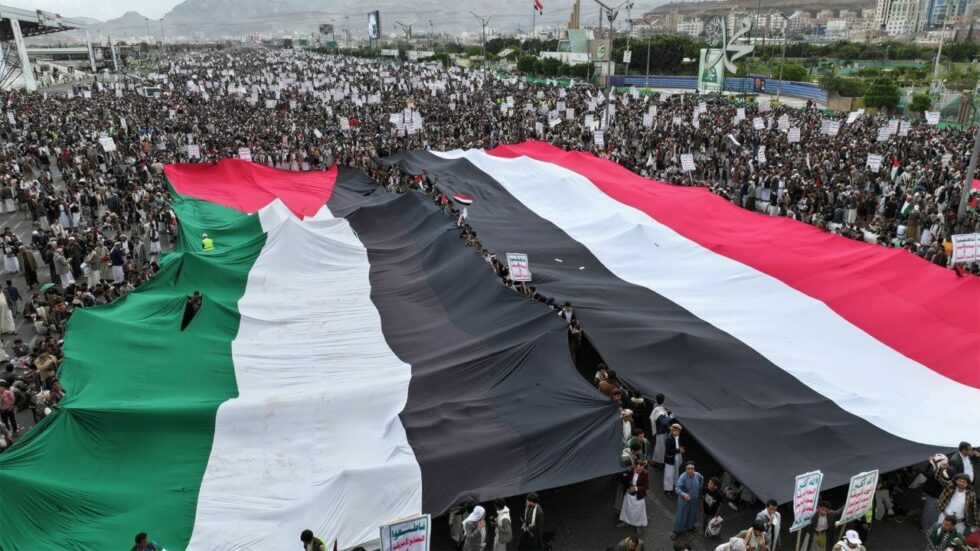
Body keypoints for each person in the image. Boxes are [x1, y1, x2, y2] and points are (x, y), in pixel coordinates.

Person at [672, 461, 703, 540]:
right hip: (684, 500)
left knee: (692, 514)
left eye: (692, 468)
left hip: (694, 500)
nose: (690, 470)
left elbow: (702, 479)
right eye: (688, 468)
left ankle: (690, 527)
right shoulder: (683, 477)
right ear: (686, 469)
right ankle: (677, 531)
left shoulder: (697, 475)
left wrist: (698, 489)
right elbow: (677, 488)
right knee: (681, 515)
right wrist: (684, 494)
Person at [619, 460, 649, 535]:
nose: (639, 471)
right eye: (638, 469)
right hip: (629, 494)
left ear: (643, 467)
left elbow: (646, 486)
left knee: (638, 512)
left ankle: (638, 525)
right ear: (635, 466)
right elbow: (626, 480)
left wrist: (636, 488)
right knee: (627, 509)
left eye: (641, 469)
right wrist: (629, 486)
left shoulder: (645, 474)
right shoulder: (631, 470)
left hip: (638, 496)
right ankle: (626, 522)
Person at [649, 394, 670, 467]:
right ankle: (660, 463)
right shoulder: (659, 411)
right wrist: (671, 416)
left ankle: (658, 461)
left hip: (659, 431)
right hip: (661, 432)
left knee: (659, 447)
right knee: (661, 448)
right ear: (663, 400)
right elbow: (663, 422)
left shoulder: (656, 406)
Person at [664, 423, 684, 496]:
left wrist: (681, 448)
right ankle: (668, 490)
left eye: (678, 431)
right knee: (669, 474)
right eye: (676, 431)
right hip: (670, 459)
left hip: (677, 457)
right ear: (672, 430)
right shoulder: (669, 439)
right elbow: (668, 450)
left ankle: (675, 485)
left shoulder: (677, 437)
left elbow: (679, 444)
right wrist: (679, 450)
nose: (678, 433)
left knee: (676, 472)